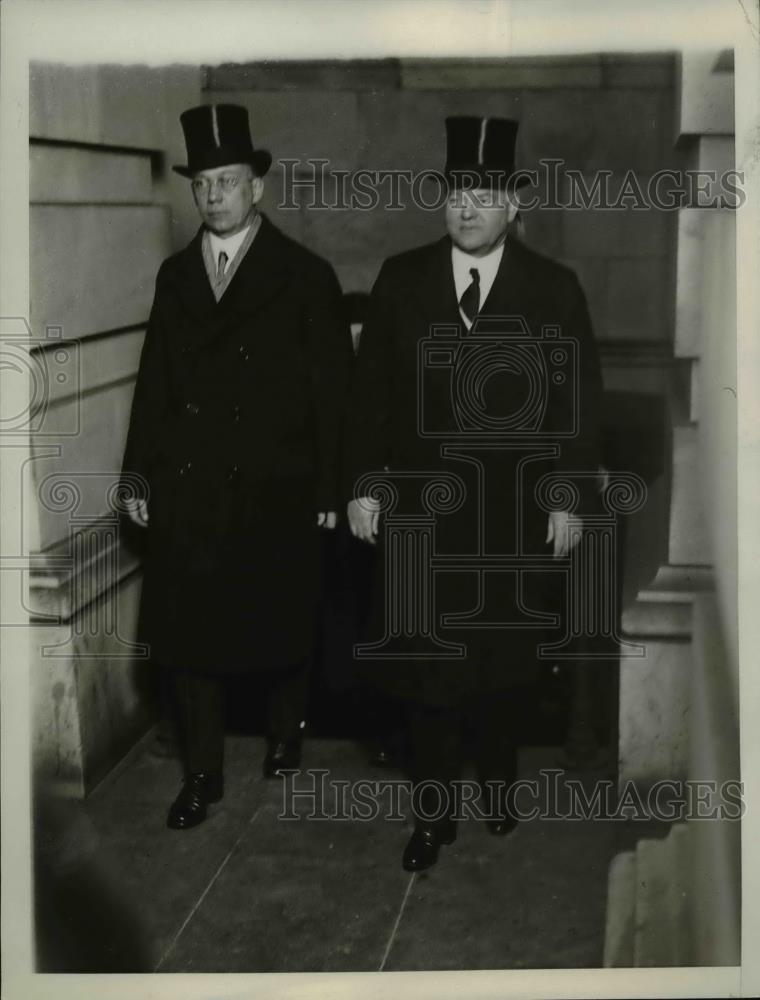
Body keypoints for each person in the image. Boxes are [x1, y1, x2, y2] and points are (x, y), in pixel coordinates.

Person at [345, 116, 603, 871]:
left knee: (502, 664)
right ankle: (433, 816)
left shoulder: (553, 289)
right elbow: (369, 400)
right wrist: (362, 487)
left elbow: (576, 405)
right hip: (424, 515)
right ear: (443, 200)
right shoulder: (402, 279)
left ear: (514, 207)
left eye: (486, 195)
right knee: (428, 668)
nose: (469, 208)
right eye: (459, 192)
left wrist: (564, 496)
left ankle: (496, 784)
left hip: (512, 514)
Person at [121, 103, 352, 830]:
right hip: (191, 483)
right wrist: (137, 475)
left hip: (273, 483)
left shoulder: (306, 275)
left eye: (228, 180)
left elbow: (333, 392)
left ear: (257, 186)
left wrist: (330, 486)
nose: (214, 194)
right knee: (190, 634)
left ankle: (287, 733)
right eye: (203, 184)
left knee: (279, 618)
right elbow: (154, 382)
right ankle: (202, 774)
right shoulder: (175, 275)